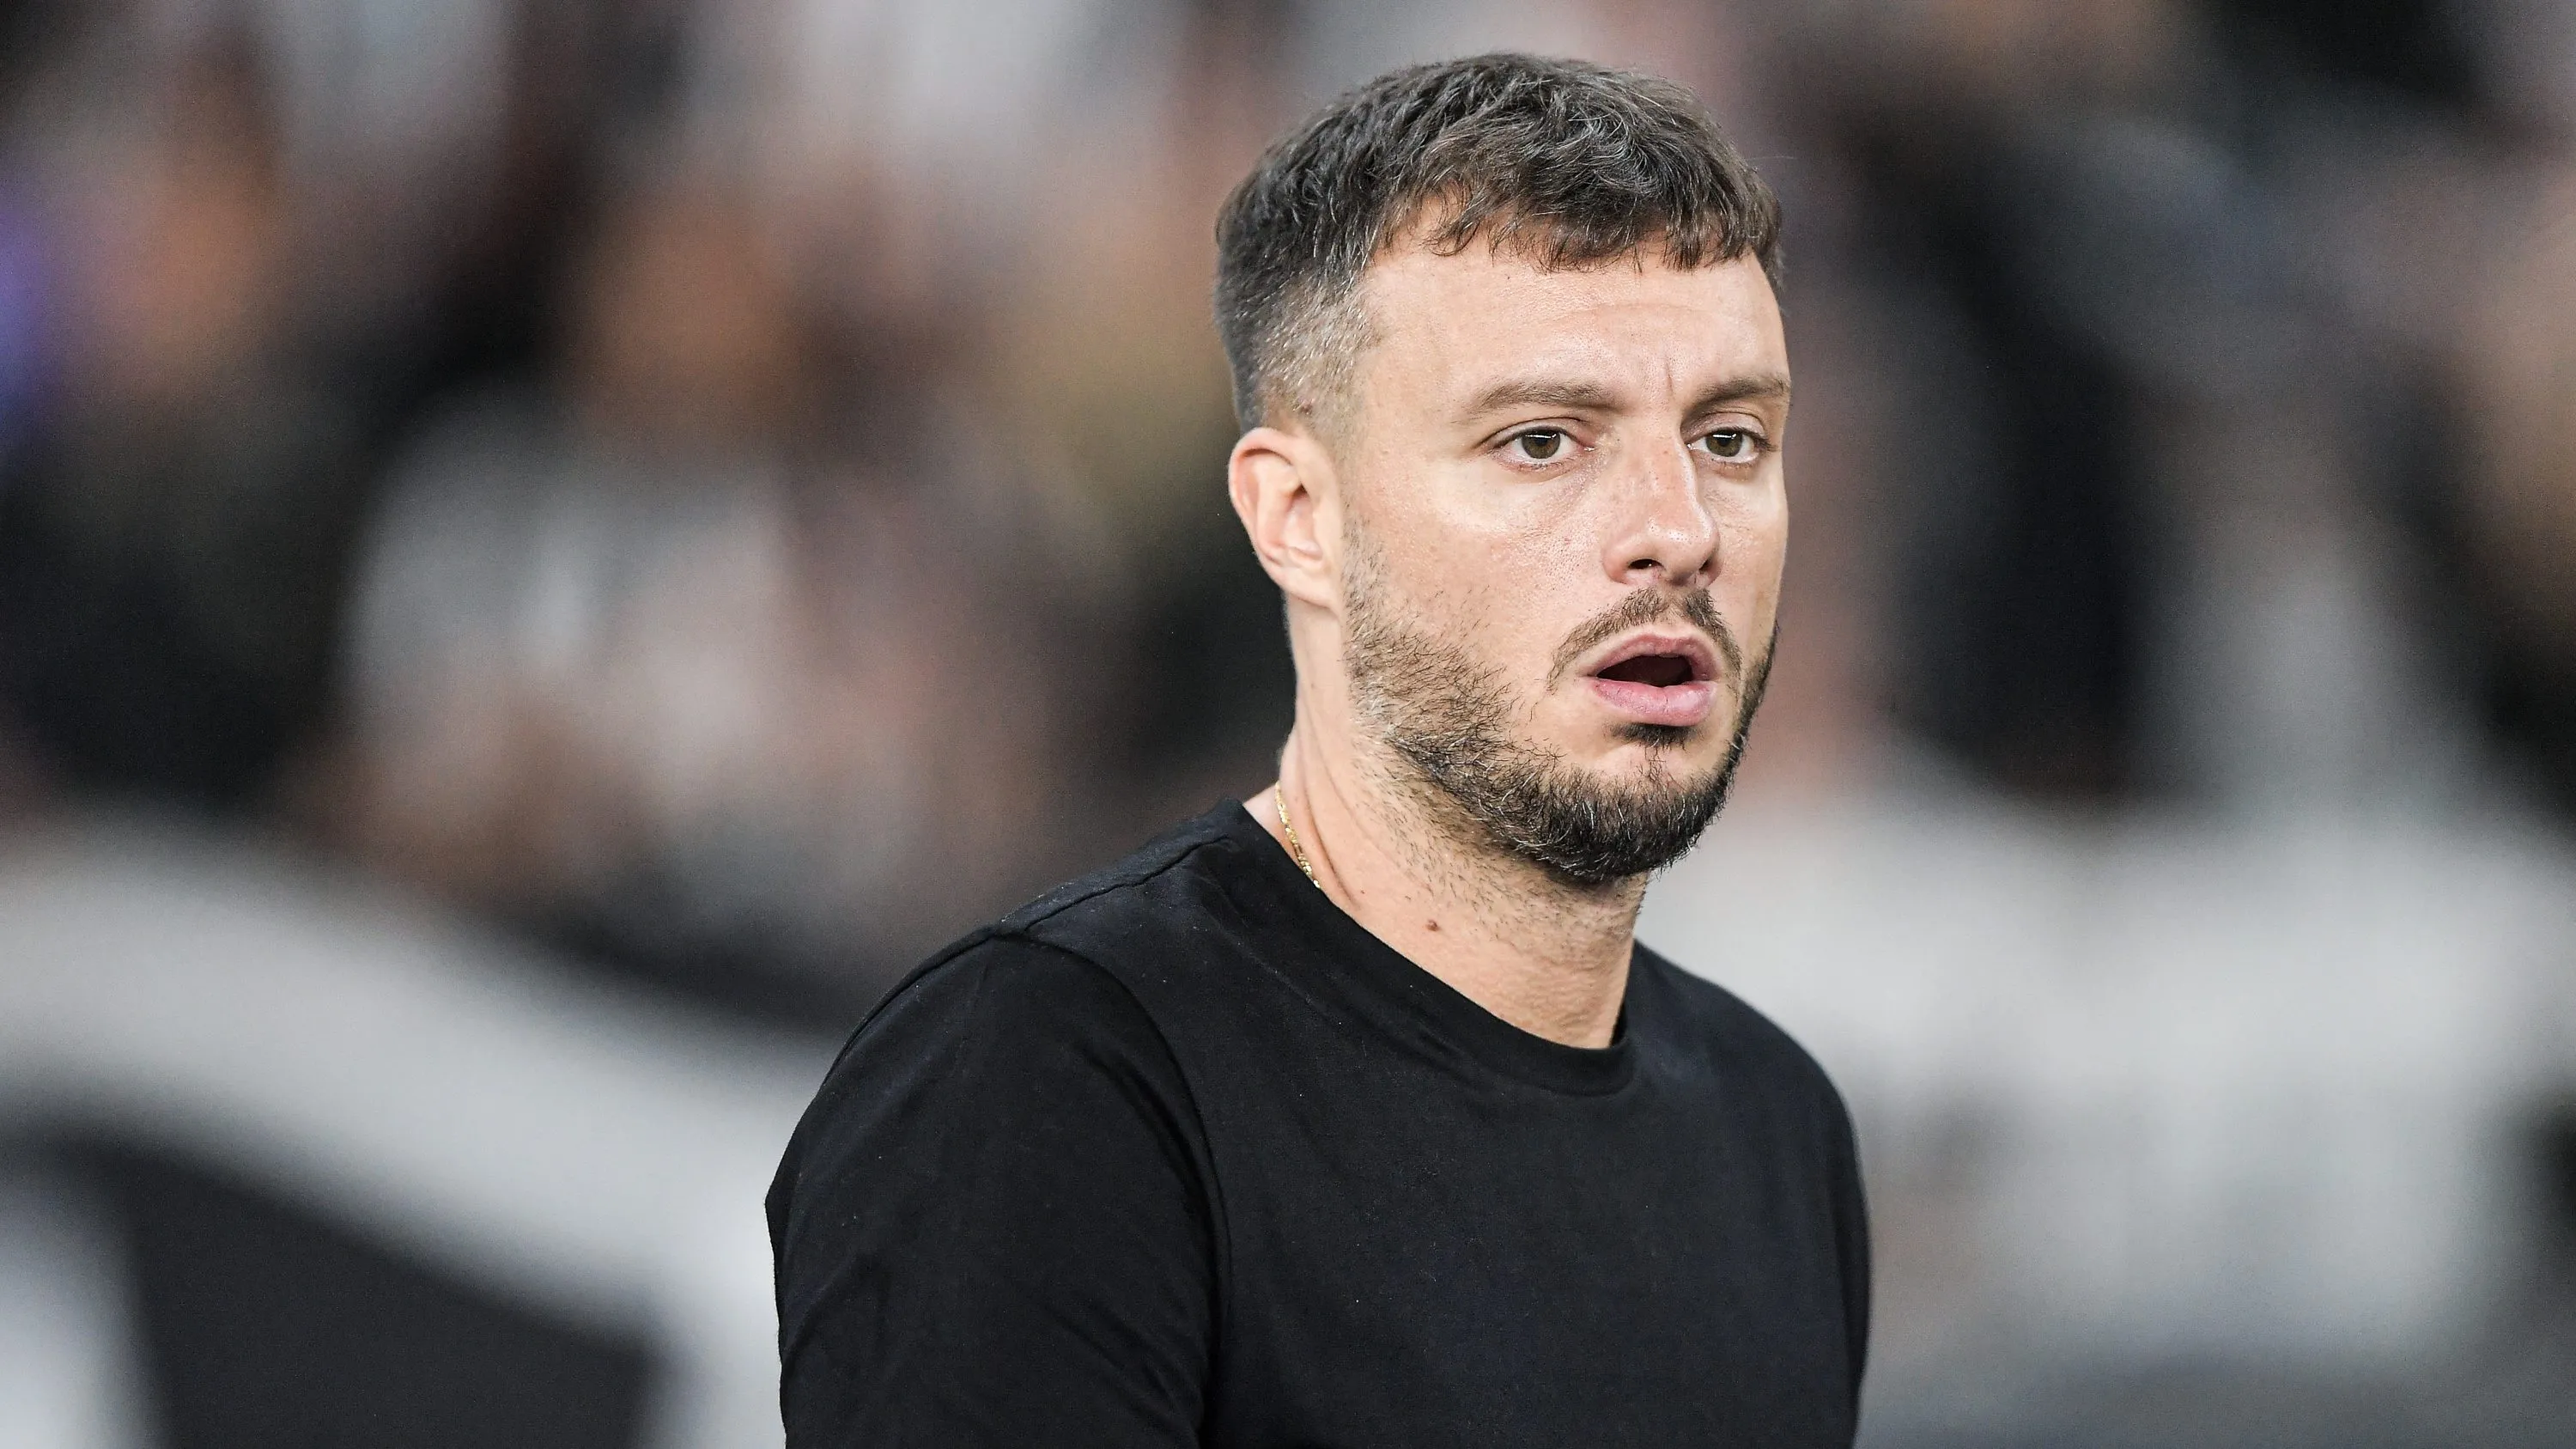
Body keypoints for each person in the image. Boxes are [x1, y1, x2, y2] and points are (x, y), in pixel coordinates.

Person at [769, 53, 1868, 1446]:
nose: (1678, 523)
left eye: (1729, 436)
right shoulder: (1054, 1078)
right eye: (1542, 440)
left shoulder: (1776, 1133)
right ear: (1300, 517)